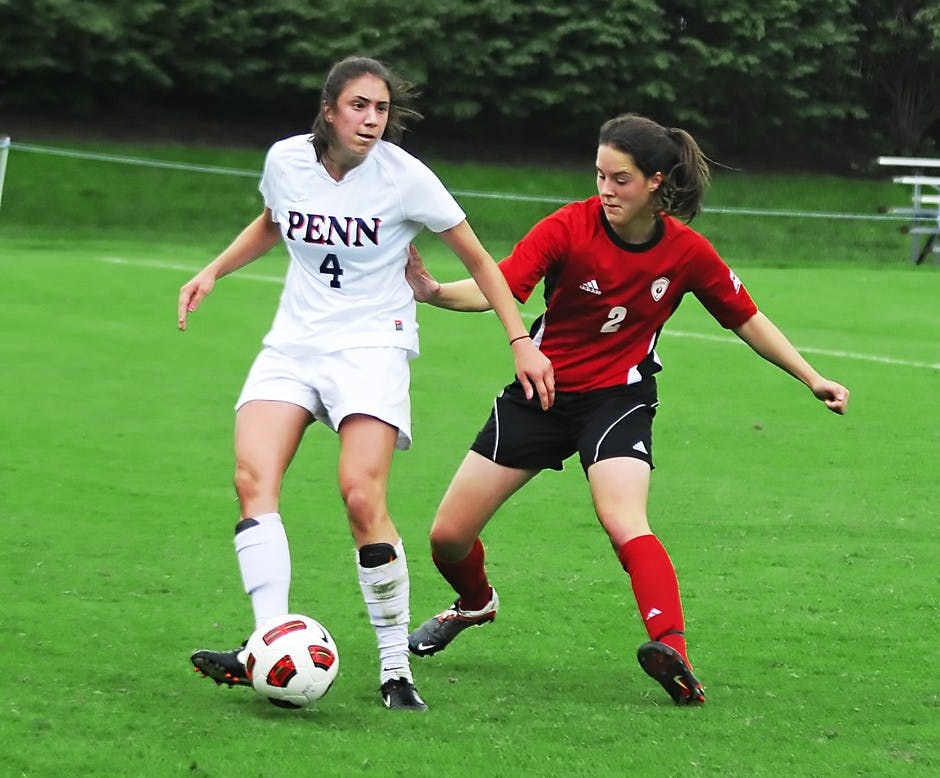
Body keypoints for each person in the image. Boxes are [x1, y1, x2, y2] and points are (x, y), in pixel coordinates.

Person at [404, 113, 850, 706]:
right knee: (448, 538)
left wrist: (811, 377)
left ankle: (673, 653)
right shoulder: (569, 226)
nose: (606, 191)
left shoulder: (687, 252)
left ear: (655, 183)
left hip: (618, 399)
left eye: (620, 180)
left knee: (623, 520)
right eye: (600, 176)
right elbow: (503, 284)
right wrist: (435, 293)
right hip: (542, 392)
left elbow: (745, 316)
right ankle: (475, 602)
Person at [178, 56, 554, 712]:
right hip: (294, 345)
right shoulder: (286, 160)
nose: (372, 119)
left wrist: (519, 338)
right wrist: (214, 270)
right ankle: (269, 641)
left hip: (372, 348)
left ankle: (393, 670)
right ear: (329, 110)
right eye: (359, 106)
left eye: (381, 109)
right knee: (250, 481)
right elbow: (276, 220)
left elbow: (480, 259)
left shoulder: (405, 179)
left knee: (360, 494)